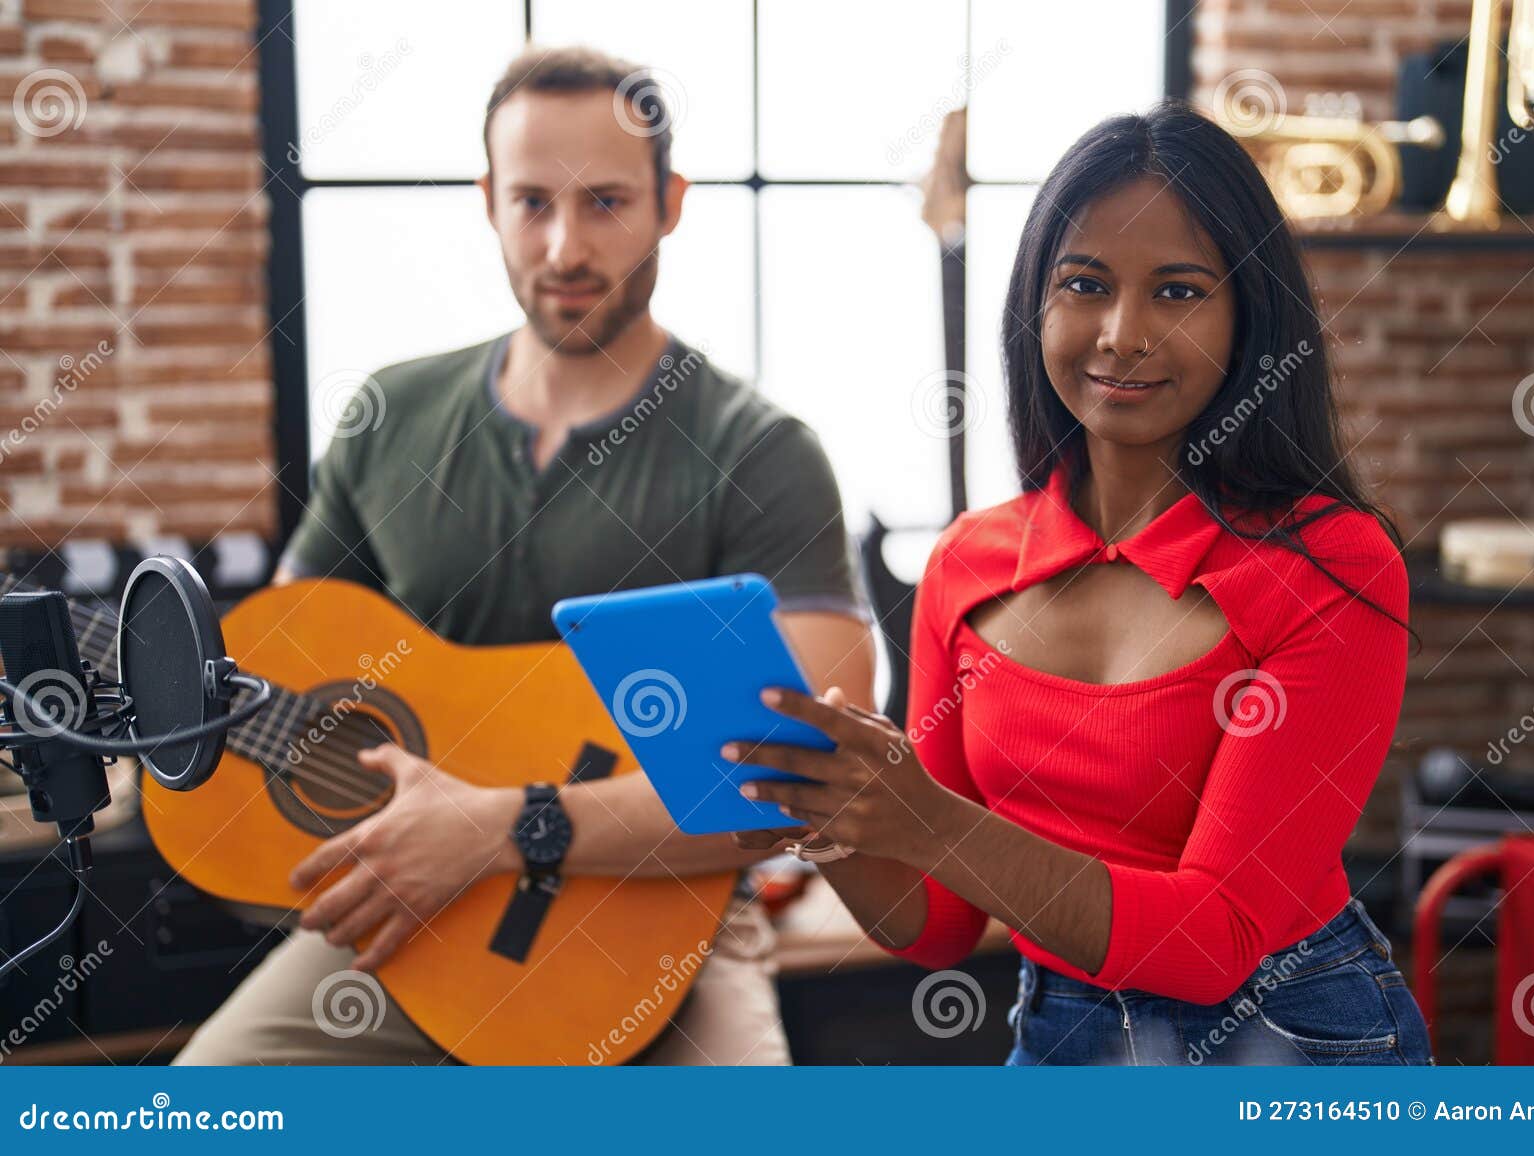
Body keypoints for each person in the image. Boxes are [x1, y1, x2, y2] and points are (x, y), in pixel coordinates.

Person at [175, 44, 874, 1066]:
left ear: (669, 203)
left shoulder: (761, 453)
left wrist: (505, 825)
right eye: (531, 202)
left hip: (666, 930)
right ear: (488, 200)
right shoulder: (389, 418)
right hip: (410, 914)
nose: (564, 247)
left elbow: (801, 775)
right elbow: (291, 672)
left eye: (605, 203)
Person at [729, 98, 1435, 1066]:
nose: (1121, 333)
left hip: (1292, 1037)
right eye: (1084, 284)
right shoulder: (968, 564)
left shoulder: (1331, 567)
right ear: (1037, 305)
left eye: (1179, 292)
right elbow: (935, 924)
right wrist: (838, 818)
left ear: (1249, 316)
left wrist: (927, 817)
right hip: (1064, 1029)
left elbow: (1211, 941)